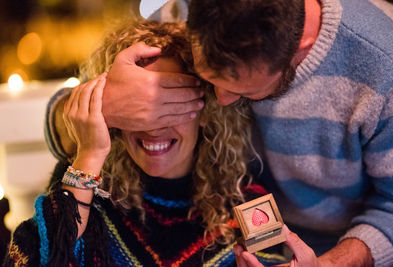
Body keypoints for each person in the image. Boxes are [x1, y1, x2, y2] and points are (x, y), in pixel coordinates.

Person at [60, 0, 393, 266]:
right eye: (203, 86)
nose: (218, 101)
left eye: (244, 92)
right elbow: (52, 249)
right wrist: (103, 105)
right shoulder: (92, 188)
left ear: (299, 49)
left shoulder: (386, 62)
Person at [3, 20, 288, 266]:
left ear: (206, 109)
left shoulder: (251, 202)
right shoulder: (85, 188)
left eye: (170, 106)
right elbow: (34, 258)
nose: (153, 128)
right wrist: (90, 152)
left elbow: (275, 259)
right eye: (137, 109)